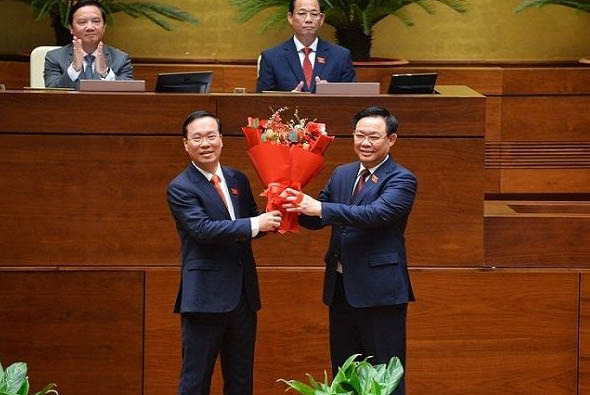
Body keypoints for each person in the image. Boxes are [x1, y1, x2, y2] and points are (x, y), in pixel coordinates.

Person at [282, 106, 417, 394]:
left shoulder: (402, 179)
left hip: (380, 292)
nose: (365, 143)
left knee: (384, 376)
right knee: (344, 372)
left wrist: (319, 207)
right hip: (341, 289)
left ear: (391, 140)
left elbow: (375, 214)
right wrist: (290, 202)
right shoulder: (343, 173)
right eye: (359, 135)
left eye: (373, 137)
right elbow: (319, 217)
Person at [167, 110, 282, 395]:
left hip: (243, 298)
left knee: (241, 381)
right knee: (195, 381)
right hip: (204, 299)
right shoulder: (180, 187)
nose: (205, 143)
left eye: (211, 136)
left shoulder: (237, 179)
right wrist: (256, 224)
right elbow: (204, 230)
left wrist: (280, 207)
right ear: (186, 144)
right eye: (197, 138)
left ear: (221, 139)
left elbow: (254, 221)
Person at [256, 0, 356, 93]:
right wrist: (287, 100)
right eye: (302, 13)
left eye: (314, 14)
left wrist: (331, 94)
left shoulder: (341, 56)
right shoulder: (271, 58)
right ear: (290, 17)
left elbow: (352, 100)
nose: (308, 19)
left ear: (321, 19)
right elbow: (262, 104)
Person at [44, 0, 133, 89]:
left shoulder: (121, 59)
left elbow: (128, 94)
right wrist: (74, 70)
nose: (90, 27)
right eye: (82, 22)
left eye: (96, 21)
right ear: (71, 28)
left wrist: (105, 74)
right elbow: (51, 92)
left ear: (104, 27)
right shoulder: (54, 58)